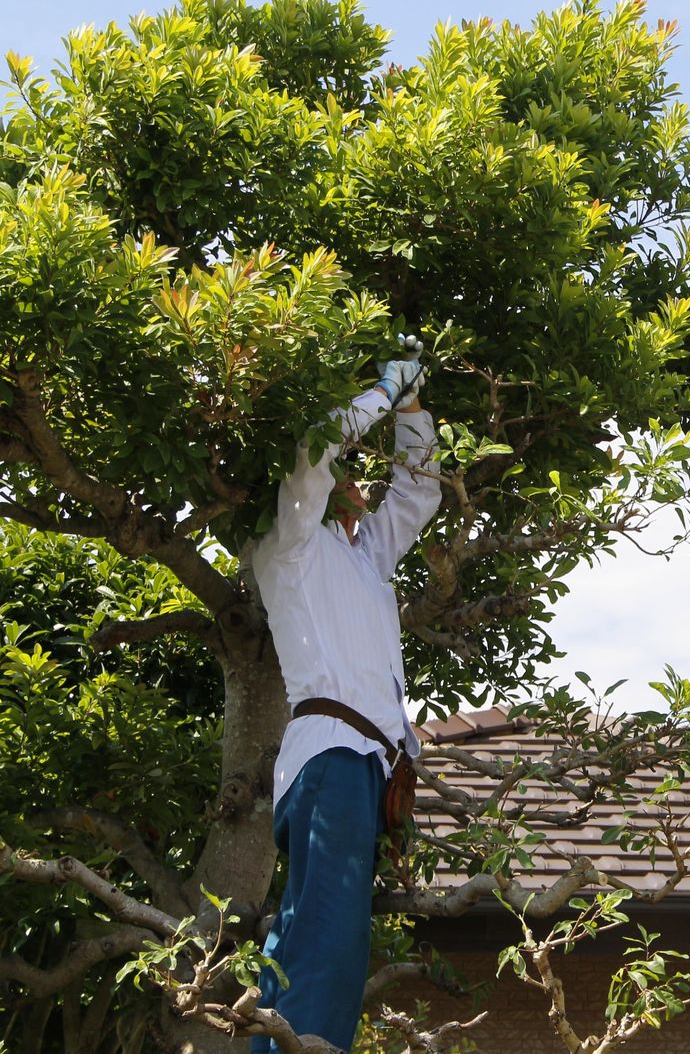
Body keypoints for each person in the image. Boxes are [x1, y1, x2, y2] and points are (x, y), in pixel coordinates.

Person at [250, 344, 440, 1053]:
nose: (359, 482)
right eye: (349, 475)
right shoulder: (289, 539)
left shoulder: (364, 556)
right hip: (333, 753)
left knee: (310, 930)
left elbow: (418, 494)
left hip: (363, 763)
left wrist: (414, 409)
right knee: (328, 940)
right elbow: (315, 449)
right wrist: (382, 392)